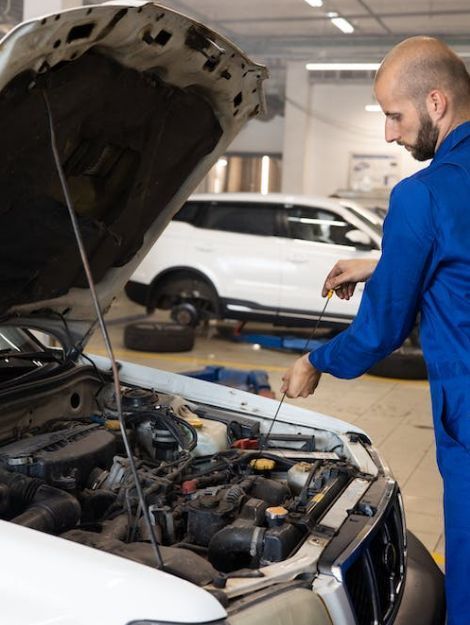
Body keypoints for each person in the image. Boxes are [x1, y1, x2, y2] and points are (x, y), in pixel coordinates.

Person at [281, 36, 470, 625]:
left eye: (394, 115)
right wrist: (382, 262)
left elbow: (379, 332)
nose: (389, 133)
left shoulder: (422, 194)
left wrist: (315, 361)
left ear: (436, 103)